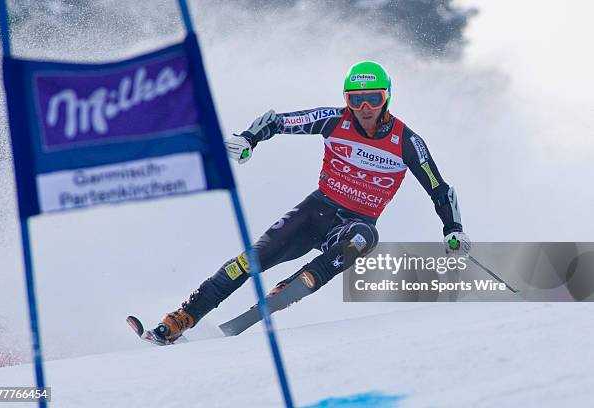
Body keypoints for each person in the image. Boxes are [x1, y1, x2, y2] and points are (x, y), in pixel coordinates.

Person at [150, 61, 470, 344]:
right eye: (355, 100)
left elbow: (439, 189)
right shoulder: (334, 120)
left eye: (374, 98)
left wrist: (453, 229)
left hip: (353, 225)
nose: (365, 108)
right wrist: (249, 138)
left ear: (387, 97)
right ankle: (181, 319)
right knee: (248, 261)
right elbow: (279, 122)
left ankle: (287, 290)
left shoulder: (408, 142)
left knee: (366, 238)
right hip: (314, 213)